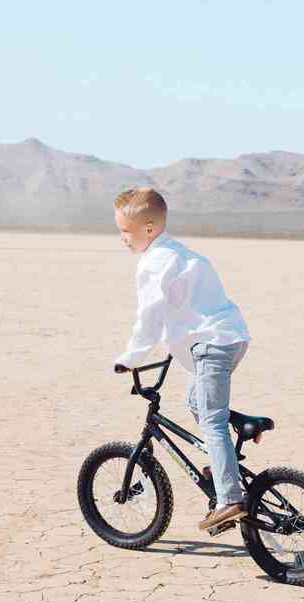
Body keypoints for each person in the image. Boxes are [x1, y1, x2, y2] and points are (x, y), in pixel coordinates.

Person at [112, 187, 251, 531]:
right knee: (197, 401)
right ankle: (223, 466)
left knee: (213, 421)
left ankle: (229, 497)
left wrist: (132, 357)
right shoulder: (181, 253)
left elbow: (150, 315)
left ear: (148, 228)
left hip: (212, 345)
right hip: (230, 339)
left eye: (125, 232)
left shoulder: (155, 262)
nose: (122, 239)